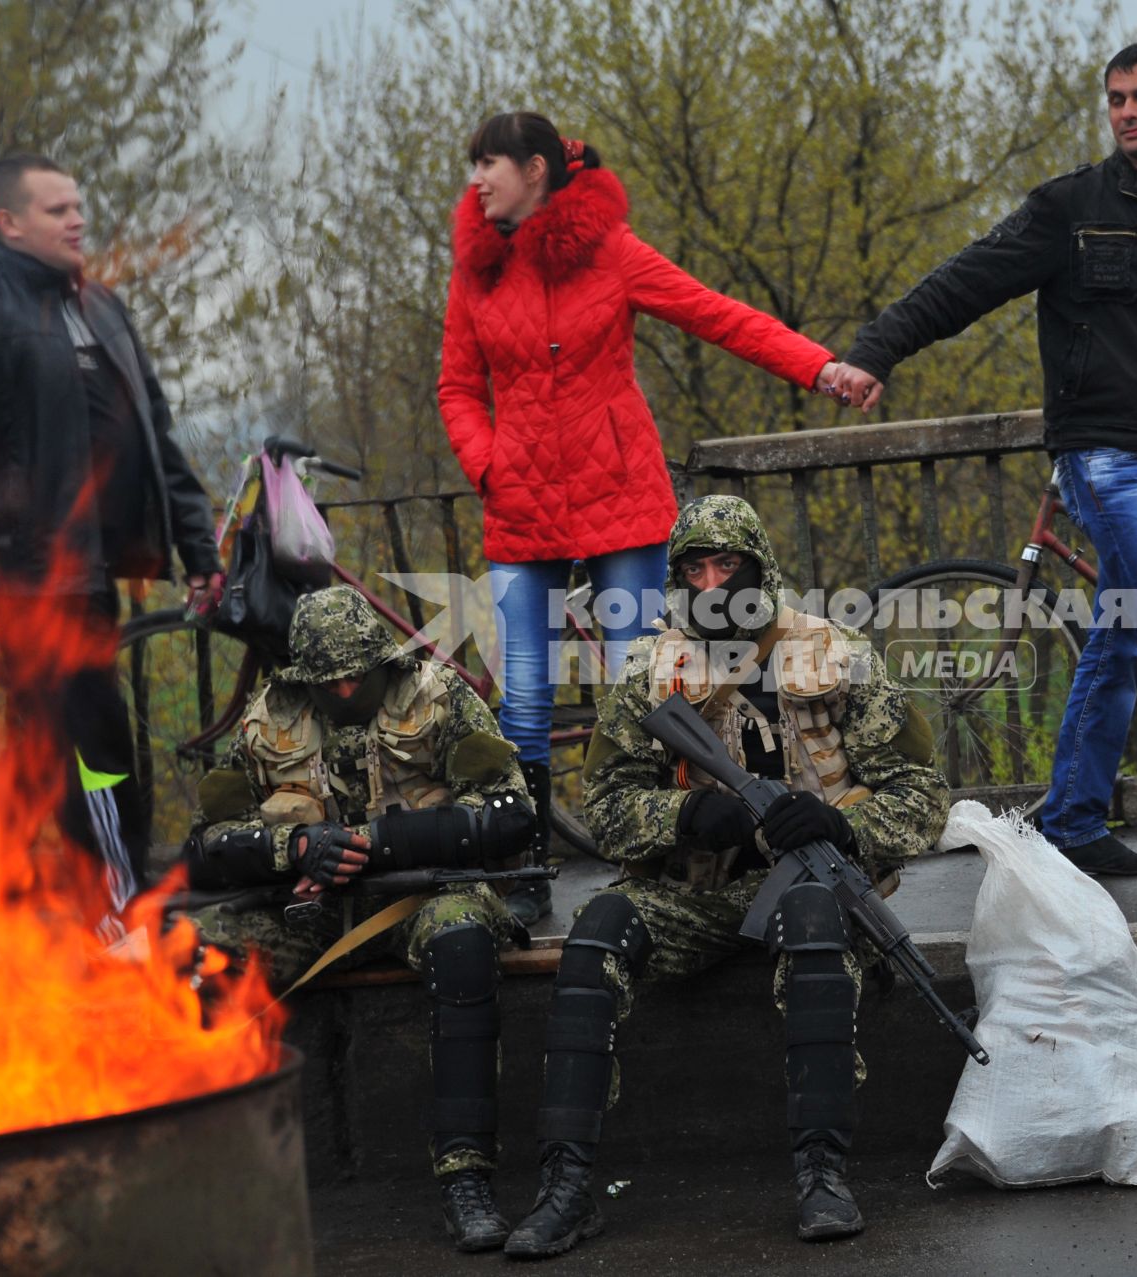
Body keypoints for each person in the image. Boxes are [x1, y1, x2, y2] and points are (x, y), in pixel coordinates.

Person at [826, 42, 1137, 876]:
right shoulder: (1072, 207)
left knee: (1122, 639)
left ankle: (1072, 818)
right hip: (1103, 459)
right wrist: (876, 350)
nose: (1126, 111)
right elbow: (965, 281)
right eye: (1115, 99)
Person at [501, 495, 948, 1257]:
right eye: (695, 569)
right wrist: (682, 817)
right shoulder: (651, 666)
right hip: (693, 893)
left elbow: (923, 796)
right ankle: (567, 1185)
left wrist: (842, 824)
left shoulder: (835, 652)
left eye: (727, 565)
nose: (712, 582)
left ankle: (822, 1172)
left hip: (809, 885)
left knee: (814, 923)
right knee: (595, 936)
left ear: (759, 569)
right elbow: (604, 807)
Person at [438, 113, 844, 924]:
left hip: (620, 500)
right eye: (474, 165)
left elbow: (716, 314)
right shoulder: (476, 273)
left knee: (649, 683)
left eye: (491, 163)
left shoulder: (610, 253)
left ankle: (659, 853)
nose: (477, 179)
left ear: (538, 171)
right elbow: (455, 386)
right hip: (522, 508)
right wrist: (487, 462)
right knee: (522, 694)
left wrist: (820, 366)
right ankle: (526, 863)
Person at [0, 153, 222, 920]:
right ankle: (120, 910)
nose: (77, 219)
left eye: (79, 205)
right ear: (7, 222)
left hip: (94, 571)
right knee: (97, 748)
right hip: (29, 572)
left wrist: (199, 549)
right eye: (57, 209)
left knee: (54, 747)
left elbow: (155, 439)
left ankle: (43, 906)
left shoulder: (101, 308)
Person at [182, 585, 538, 1252]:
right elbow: (201, 850)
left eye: (357, 679)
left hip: (420, 895)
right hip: (305, 906)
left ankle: (467, 1177)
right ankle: (205, 1178)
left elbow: (513, 813)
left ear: (383, 664)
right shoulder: (268, 716)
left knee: (463, 940)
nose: (344, 692)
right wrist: (292, 846)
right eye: (329, 683)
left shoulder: (439, 694)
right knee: (190, 955)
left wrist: (381, 842)